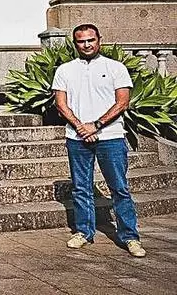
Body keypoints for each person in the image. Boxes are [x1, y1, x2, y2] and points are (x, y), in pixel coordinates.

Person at [53, 24, 146, 258]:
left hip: (110, 137)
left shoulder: (115, 67)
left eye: (91, 40)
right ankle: (84, 232)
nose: (87, 45)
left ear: (99, 40)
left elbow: (122, 102)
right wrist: (80, 127)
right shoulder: (65, 70)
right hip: (77, 138)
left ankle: (130, 236)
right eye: (81, 41)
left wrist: (95, 125)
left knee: (119, 188)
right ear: (75, 43)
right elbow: (61, 104)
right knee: (81, 188)